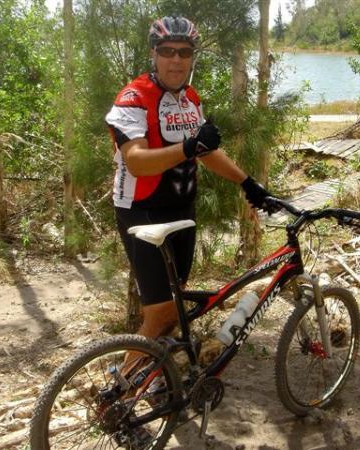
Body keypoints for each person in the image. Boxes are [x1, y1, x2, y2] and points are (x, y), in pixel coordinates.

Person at [105, 16, 277, 342]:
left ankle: (158, 379)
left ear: (192, 57)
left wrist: (246, 182)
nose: (176, 59)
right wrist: (188, 147)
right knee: (159, 316)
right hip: (142, 211)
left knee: (173, 310)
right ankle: (123, 388)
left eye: (184, 52)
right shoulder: (133, 98)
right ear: (153, 55)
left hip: (182, 210)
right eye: (167, 51)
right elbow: (137, 162)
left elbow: (205, 153)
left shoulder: (190, 99)